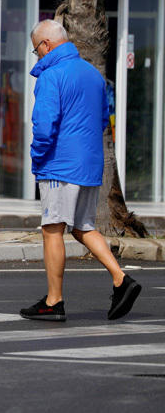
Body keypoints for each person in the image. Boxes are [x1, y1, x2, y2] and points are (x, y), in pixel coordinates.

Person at [20, 19, 141, 322]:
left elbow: (44, 125)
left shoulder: (51, 75)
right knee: (82, 226)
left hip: (60, 164)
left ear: (46, 45)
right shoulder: (93, 74)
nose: (38, 56)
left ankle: (54, 301)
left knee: (52, 229)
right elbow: (102, 121)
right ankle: (120, 278)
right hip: (89, 163)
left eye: (37, 50)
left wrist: (37, 159)